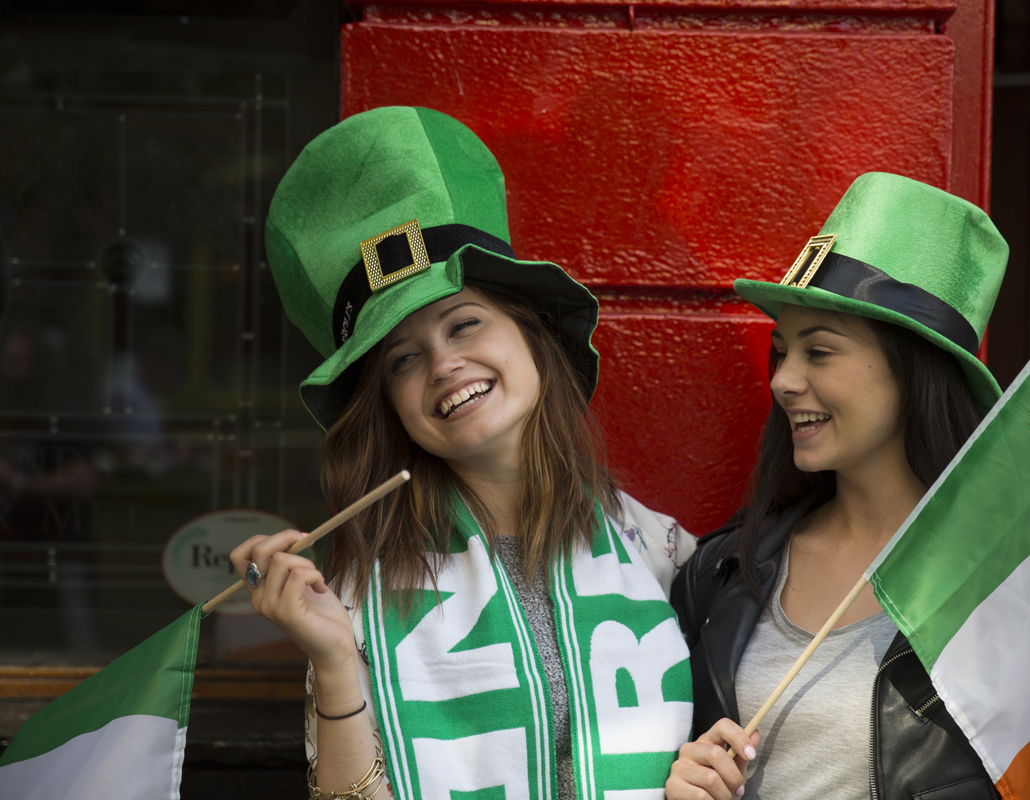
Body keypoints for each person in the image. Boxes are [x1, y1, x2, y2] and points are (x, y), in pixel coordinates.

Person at [229, 106, 696, 800]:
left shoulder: (665, 557)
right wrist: (331, 660)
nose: (444, 364)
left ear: (531, 333)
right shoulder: (357, 595)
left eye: (464, 323)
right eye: (403, 359)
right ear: (389, 406)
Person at [666, 173, 1008, 800]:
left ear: (914, 369)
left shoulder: (1011, 585)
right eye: (782, 352)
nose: (783, 381)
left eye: (819, 352)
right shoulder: (722, 572)